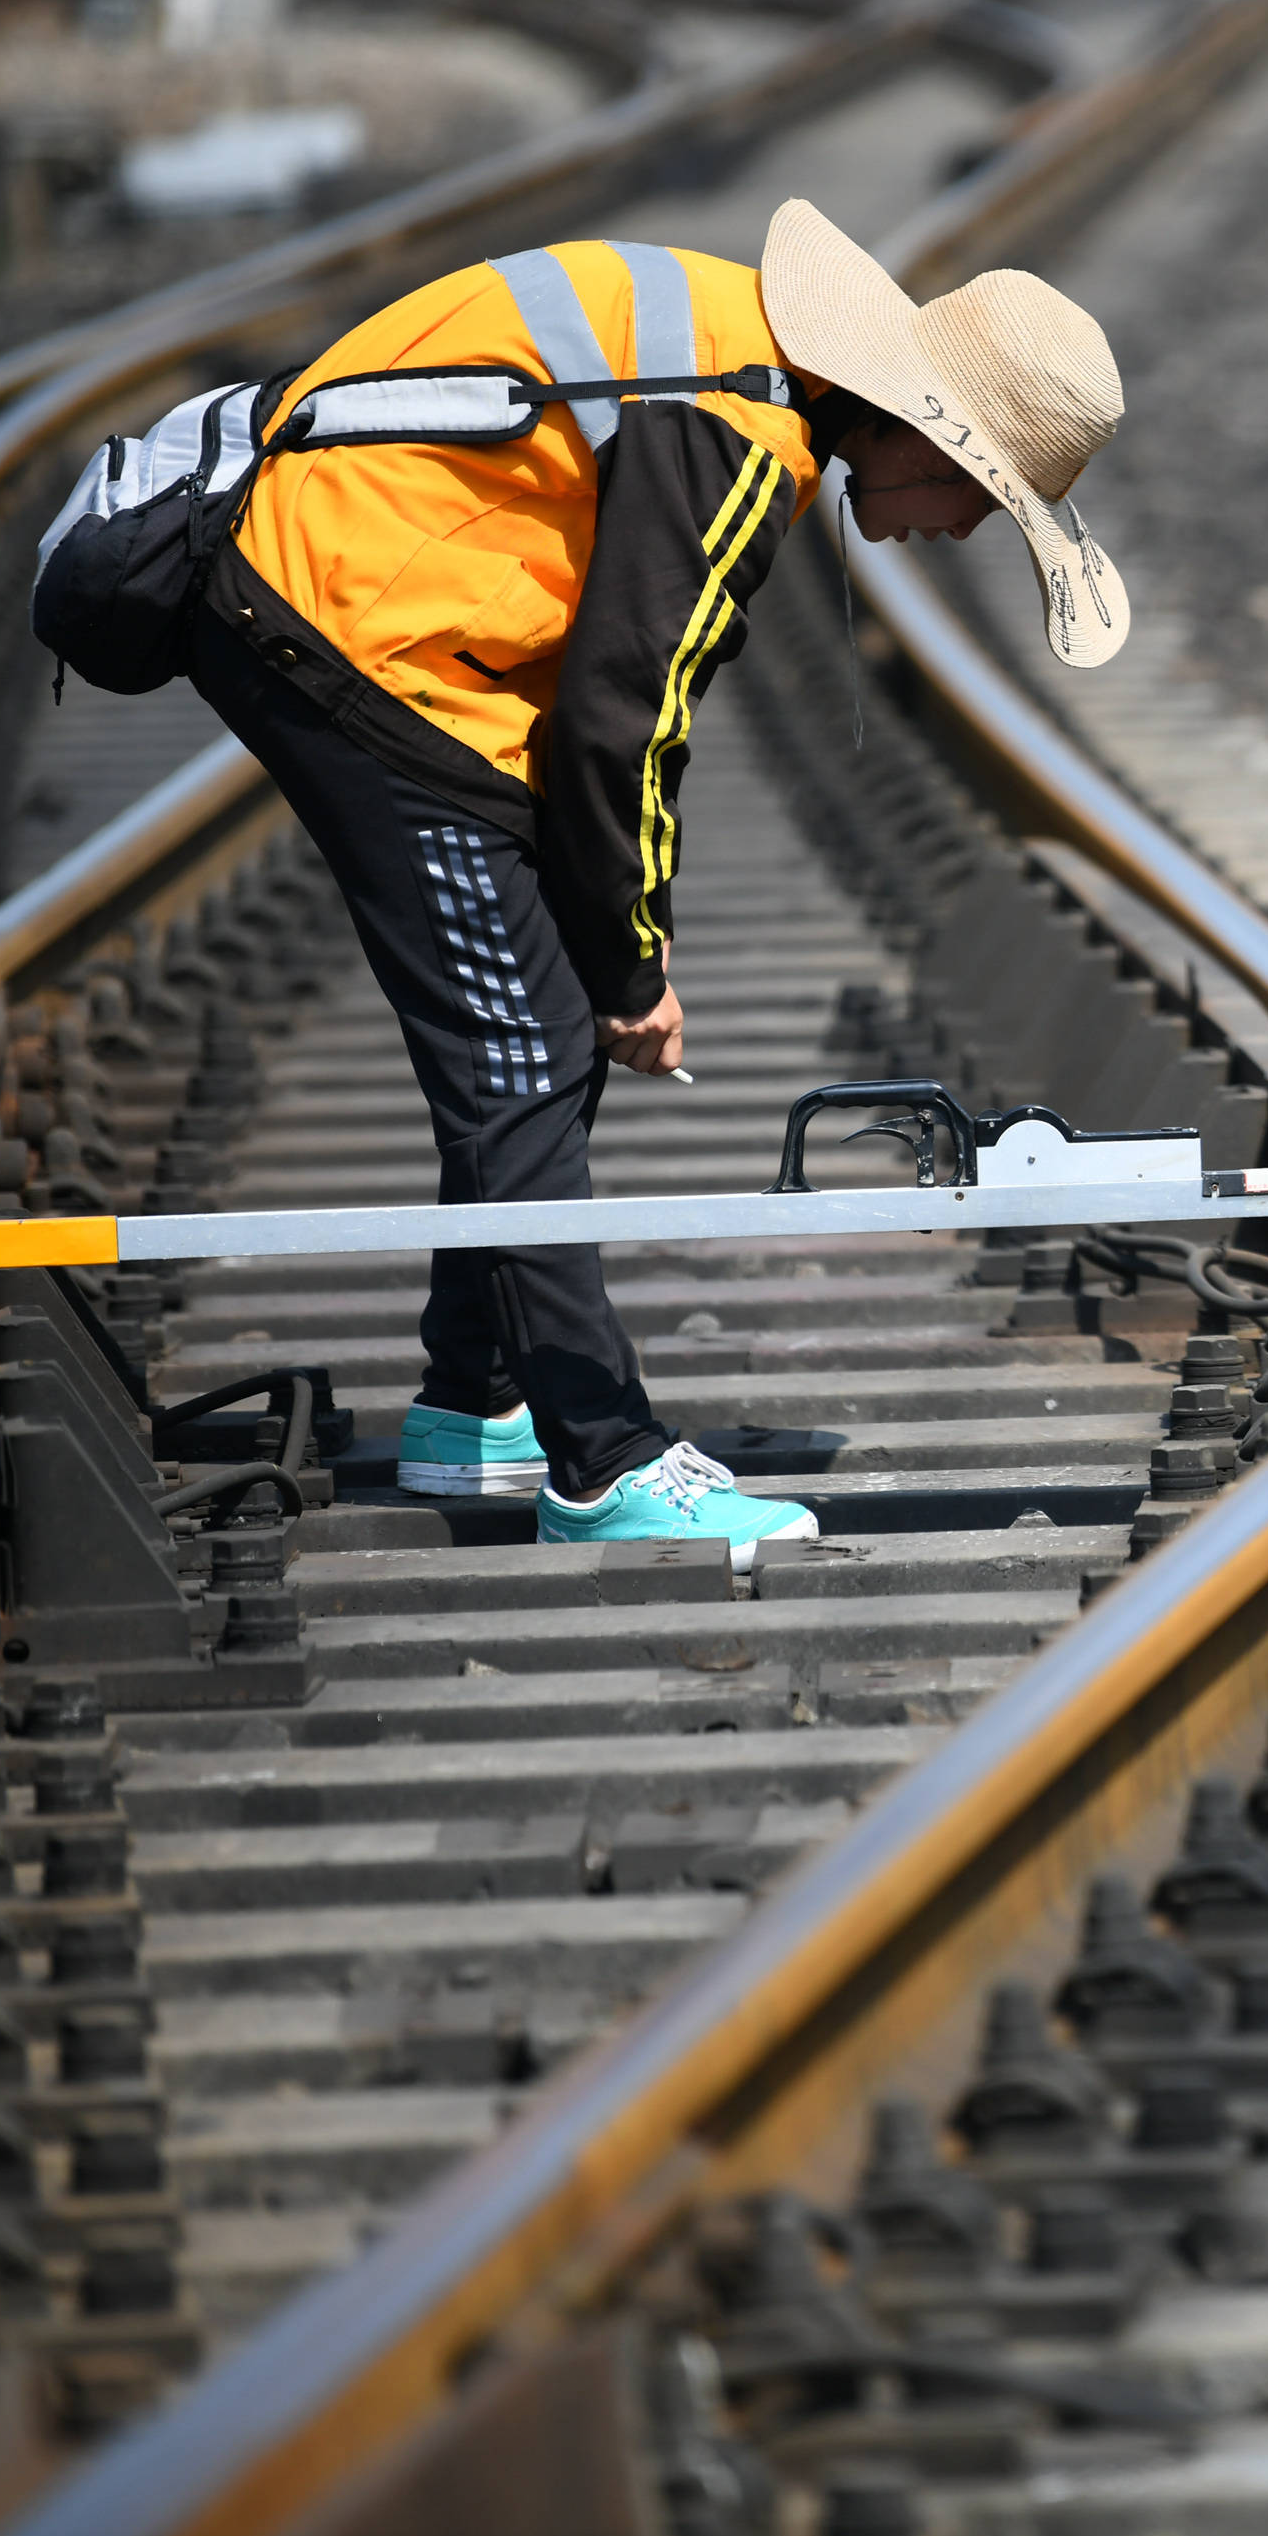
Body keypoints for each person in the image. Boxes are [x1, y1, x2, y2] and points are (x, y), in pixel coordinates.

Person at [188, 199, 1131, 1563]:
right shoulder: (742, 438)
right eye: (986, 502)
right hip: (342, 619)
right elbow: (626, 717)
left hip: (387, 612)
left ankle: (474, 1398)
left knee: (532, 1025)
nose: (966, 535)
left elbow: (613, 706)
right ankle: (603, 1464)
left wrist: (608, 946)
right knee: (521, 1055)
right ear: (928, 438)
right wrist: (635, 969)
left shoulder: (748, 364)